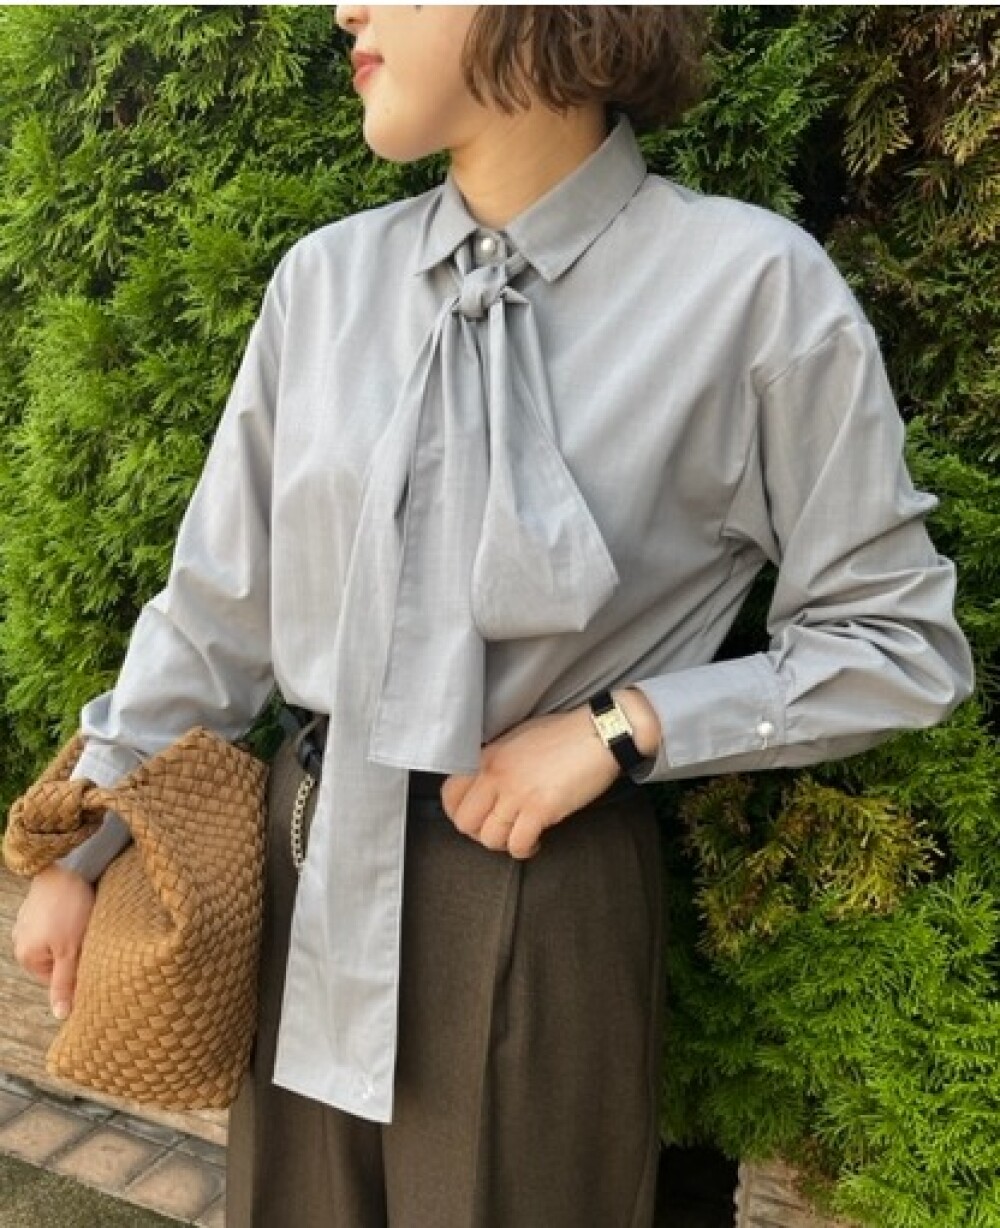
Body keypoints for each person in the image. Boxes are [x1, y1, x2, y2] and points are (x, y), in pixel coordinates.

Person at [11, 7, 974, 1227]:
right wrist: (85, 836)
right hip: (305, 863)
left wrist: (625, 724)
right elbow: (217, 609)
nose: (346, 10)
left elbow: (897, 644)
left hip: (536, 882)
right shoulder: (325, 283)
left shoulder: (750, 291)